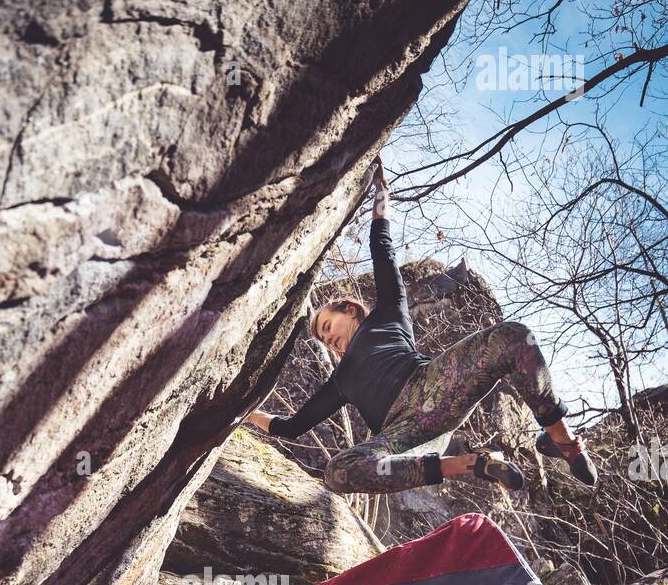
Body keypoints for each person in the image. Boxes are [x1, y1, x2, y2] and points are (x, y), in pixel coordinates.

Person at [246, 156, 598, 496]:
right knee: (339, 470)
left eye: (326, 325)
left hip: (434, 386)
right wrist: (249, 416)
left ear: (349, 309)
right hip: (406, 434)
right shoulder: (341, 382)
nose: (328, 338)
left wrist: (381, 192)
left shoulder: (387, 314)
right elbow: (292, 426)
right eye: (323, 339)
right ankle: (468, 465)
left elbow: (381, 247)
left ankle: (561, 439)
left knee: (515, 336)